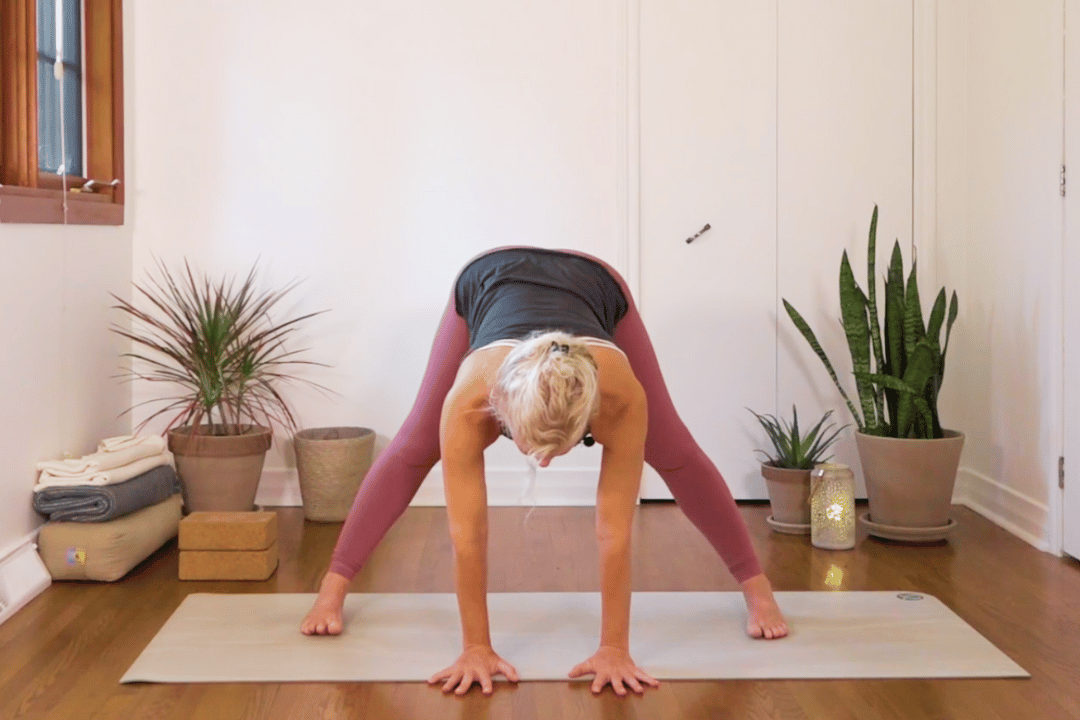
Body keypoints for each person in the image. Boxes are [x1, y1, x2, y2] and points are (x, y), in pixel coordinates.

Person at [300, 246, 789, 696]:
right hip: (489, 277)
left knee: (673, 447)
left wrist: (614, 649)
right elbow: (467, 533)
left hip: (594, 282)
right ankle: (333, 588)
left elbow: (613, 532)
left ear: (590, 416)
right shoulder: (471, 398)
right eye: (537, 447)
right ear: (502, 413)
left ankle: (758, 590)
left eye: (563, 446)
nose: (548, 462)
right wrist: (476, 647)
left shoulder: (620, 395)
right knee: (414, 445)